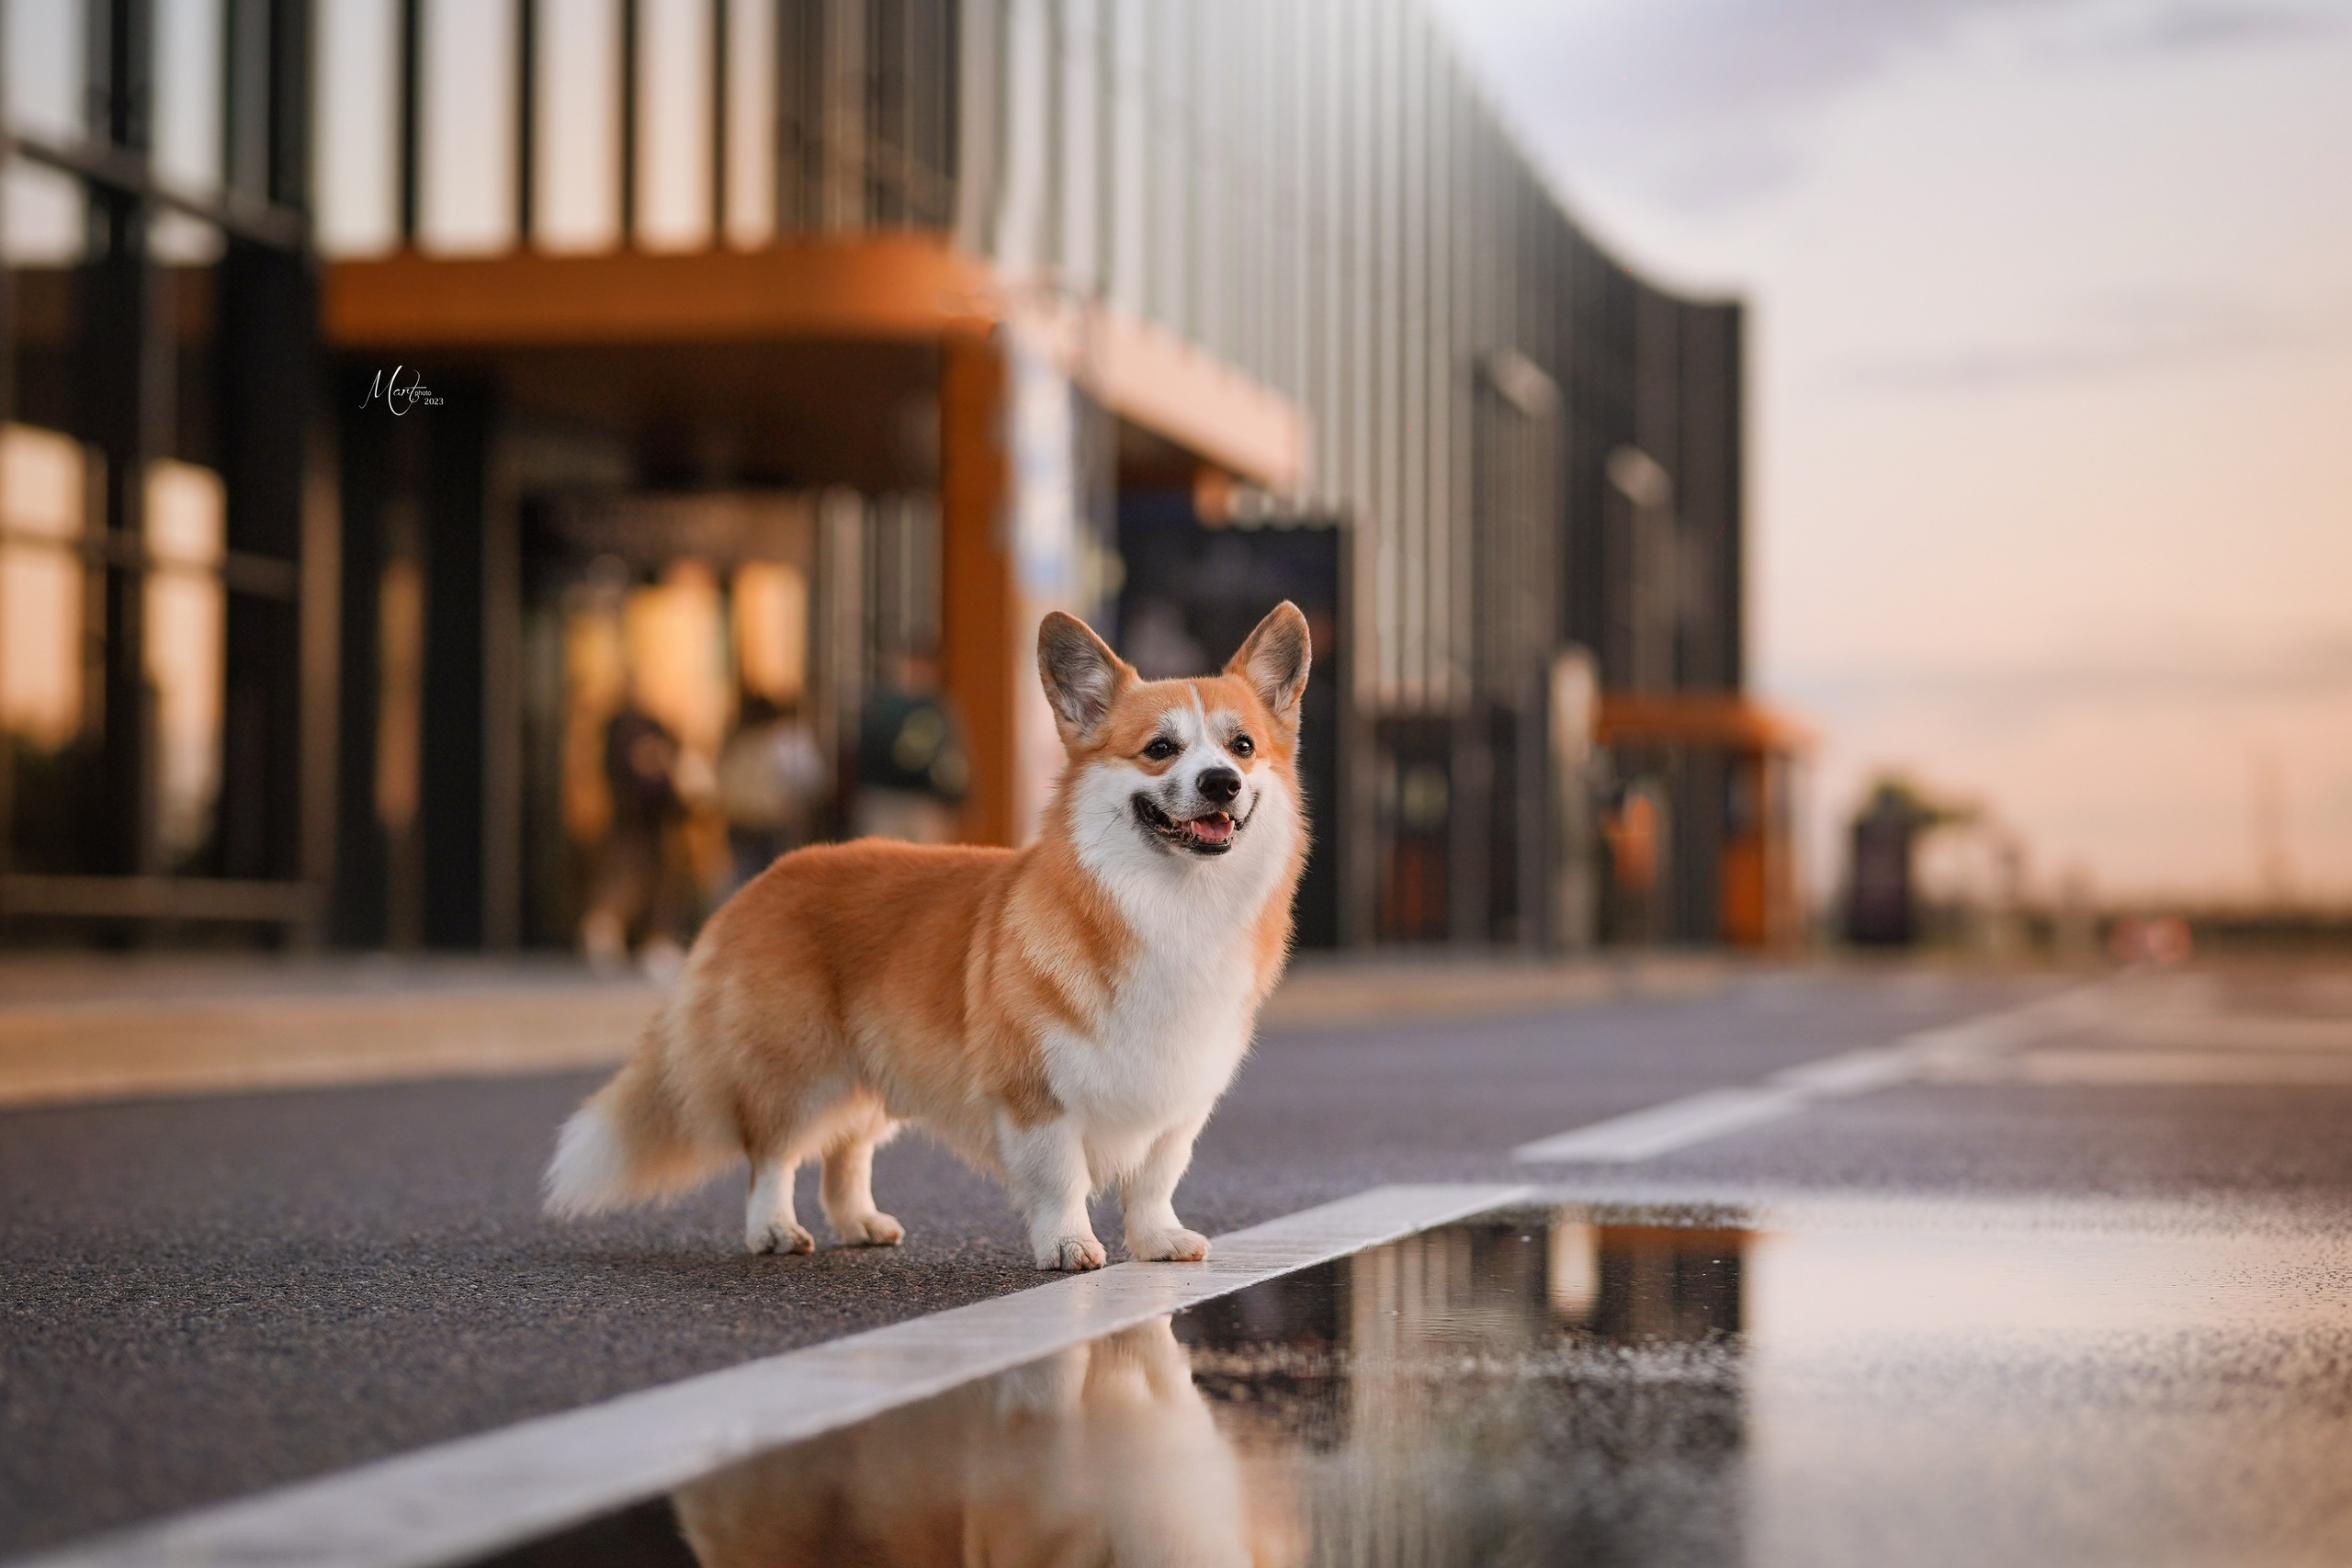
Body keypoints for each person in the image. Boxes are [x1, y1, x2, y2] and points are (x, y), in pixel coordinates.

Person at [580, 694, 695, 977]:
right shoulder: (642, 747)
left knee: (654, 884)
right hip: (638, 827)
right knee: (629, 883)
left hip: (652, 828)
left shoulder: (626, 744)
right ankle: (620, 939)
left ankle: (651, 944)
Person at [717, 694, 830, 889]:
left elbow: (720, 780)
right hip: (772, 821)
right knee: (774, 880)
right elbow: (814, 781)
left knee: (741, 875)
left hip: (738, 819)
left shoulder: (734, 741)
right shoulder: (786, 740)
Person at [854, 652, 969, 843]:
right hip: (885, 799)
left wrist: (961, 797)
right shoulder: (881, 708)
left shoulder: (938, 708)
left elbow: (954, 758)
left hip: (924, 803)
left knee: (928, 863)